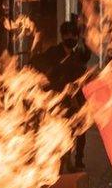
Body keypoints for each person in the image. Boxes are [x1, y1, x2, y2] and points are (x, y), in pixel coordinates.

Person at [29, 21, 91, 171]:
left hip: (77, 99)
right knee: (65, 128)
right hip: (60, 98)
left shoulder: (79, 53)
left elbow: (86, 57)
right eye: (68, 34)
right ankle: (64, 159)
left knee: (80, 130)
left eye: (74, 35)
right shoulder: (53, 52)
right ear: (62, 36)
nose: (71, 38)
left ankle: (78, 160)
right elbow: (36, 62)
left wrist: (84, 39)